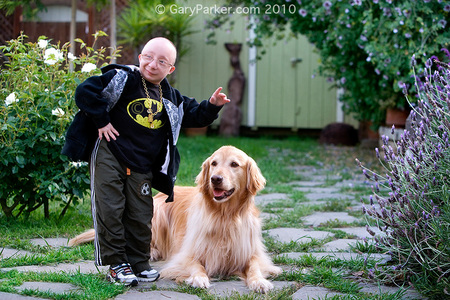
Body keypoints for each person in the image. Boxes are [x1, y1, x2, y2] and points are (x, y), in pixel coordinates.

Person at [63, 37, 230, 286]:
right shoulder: (123, 78)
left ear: (170, 69)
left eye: (162, 61)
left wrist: (212, 105)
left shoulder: (170, 96)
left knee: (142, 214)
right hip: (110, 153)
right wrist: (101, 120)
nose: (153, 64)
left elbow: (194, 115)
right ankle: (117, 263)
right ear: (140, 57)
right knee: (111, 208)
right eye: (149, 57)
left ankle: (139, 261)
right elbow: (85, 91)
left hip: (142, 164)